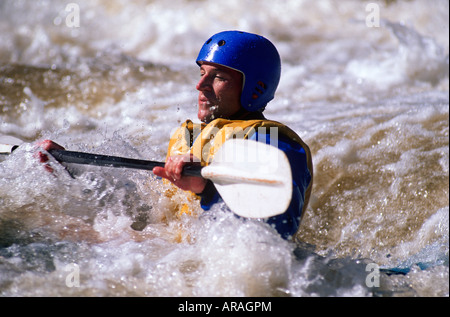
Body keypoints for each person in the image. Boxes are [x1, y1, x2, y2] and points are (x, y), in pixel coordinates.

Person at [38, 30, 313, 240]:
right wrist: (72, 169)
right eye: (202, 73)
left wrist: (206, 190)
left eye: (218, 77)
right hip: (174, 260)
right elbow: (149, 214)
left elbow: (277, 232)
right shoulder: (190, 136)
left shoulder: (276, 145)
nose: (200, 85)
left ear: (255, 90)